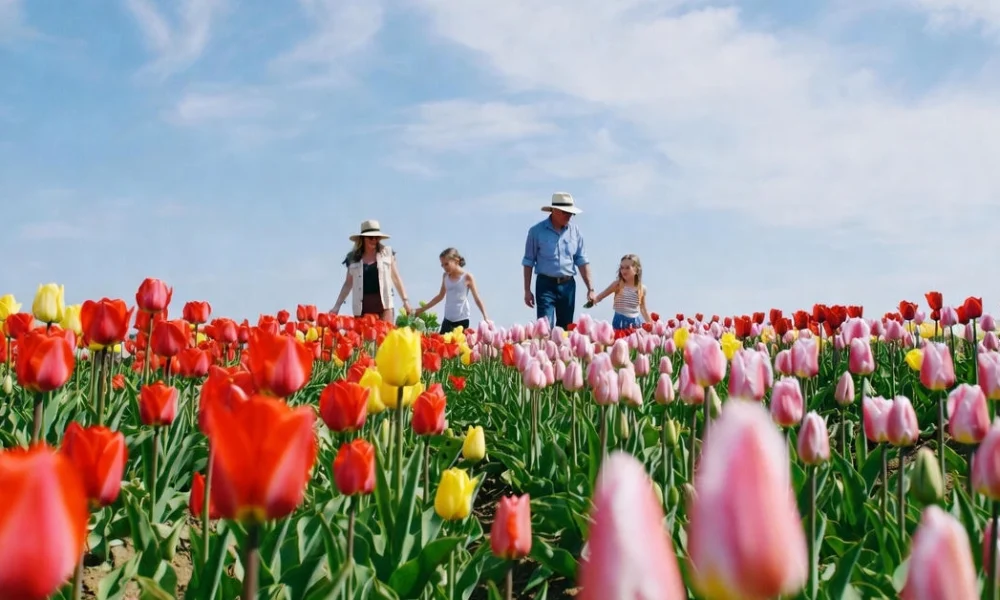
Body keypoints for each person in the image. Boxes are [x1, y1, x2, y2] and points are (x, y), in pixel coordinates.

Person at [521, 192, 595, 329]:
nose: (569, 216)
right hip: (545, 285)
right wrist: (527, 290)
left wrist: (590, 288)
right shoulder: (536, 231)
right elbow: (528, 261)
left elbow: (581, 260)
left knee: (565, 329)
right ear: (554, 210)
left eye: (571, 213)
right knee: (545, 327)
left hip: (568, 286)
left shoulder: (575, 231)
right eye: (565, 212)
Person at [331, 220, 412, 321]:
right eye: (370, 237)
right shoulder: (353, 258)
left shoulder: (387, 253)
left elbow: (396, 278)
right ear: (363, 239)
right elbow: (348, 284)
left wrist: (405, 301)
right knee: (363, 332)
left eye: (377, 237)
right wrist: (337, 306)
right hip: (362, 309)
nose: (374, 240)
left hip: (385, 307)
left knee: (386, 331)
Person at [414, 248, 489, 333]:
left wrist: (485, 316)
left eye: (446, 264)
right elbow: (440, 296)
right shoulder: (445, 276)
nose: (444, 267)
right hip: (447, 319)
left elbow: (477, 298)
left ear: (456, 261)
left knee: (457, 341)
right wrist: (421, 309)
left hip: (462, 320)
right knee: (440, 341)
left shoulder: (467, 277)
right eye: (442, 265)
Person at [590, 253, 652, 331]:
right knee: (620, 338)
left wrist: (651, 325)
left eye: (627, 268)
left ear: (636, 269)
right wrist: (593, 300)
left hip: (635, 322)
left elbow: (643, 309)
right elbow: (601, 296)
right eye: (622, 268)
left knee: (633, 339)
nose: (624, 270)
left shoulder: (642, 288)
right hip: (620, 320)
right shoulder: (618, 284)